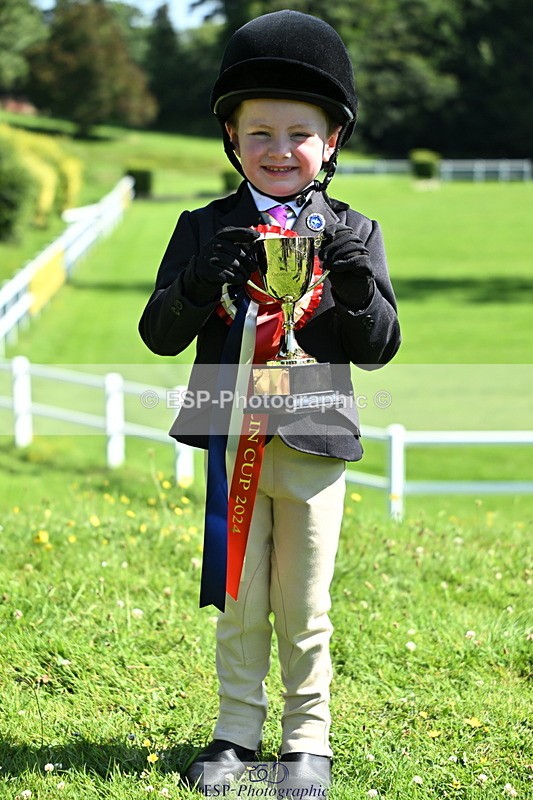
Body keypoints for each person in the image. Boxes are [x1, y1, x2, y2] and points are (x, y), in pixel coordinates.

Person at [139, 9, 400, 793]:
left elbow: (380, 343)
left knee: (304, 599)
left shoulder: (353, 229)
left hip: (314, 432)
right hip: (229, 435)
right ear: (231, 140)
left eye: (297, 133)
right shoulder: (203, 226)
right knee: (239, 598)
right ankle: (234, 731)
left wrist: (353, 288)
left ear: (331, 143)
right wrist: (194, 284)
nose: (278, 150)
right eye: (258, 133)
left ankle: (307, 740)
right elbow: (158, 332)